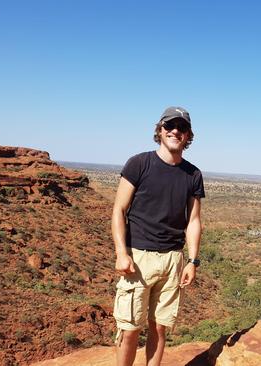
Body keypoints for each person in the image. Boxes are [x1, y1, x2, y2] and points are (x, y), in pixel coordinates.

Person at [111, 106, 204, 366]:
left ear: (188, 135)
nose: (175, 130)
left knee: (160, 328)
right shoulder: (139, 163)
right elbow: (118, 209)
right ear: (160, 130)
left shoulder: (193, 174)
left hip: (173, 260)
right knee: (129, 330)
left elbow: (193, 221)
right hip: (138, 258)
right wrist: (121, 253)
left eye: (182, 127)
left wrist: (193, 261)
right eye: (170, 126)